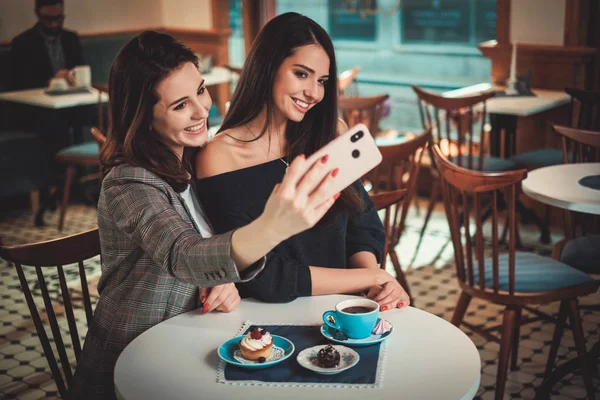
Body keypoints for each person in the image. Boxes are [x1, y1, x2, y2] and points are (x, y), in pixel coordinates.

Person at [70, 31, 338, 399]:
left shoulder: (191, 160)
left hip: (191, 341)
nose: (201, 111)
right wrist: (272, 227)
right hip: (132, 358)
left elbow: (204, 254)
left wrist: (219, 283)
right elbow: (184, 254)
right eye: (180, 105)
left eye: (200, 90)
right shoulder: (128, 183)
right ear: (144, 118)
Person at [195, 13, 410, 310]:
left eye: (321, 81)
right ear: (268, 67)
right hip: (265, 320)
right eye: (301, 74)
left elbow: (361, 224)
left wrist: (374, 283)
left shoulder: (330, 132)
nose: (314, 93)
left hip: (344, 308)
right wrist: (368, 277)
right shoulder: (218, 157)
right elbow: (259, 274)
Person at [8, 0, 84, 90]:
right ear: (38, 14)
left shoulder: (71, 39)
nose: (54, 24)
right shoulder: (23, 43)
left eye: (58, 18)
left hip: (72, 97)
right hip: (39, 98)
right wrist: (51, 81)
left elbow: (82, 70)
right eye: (48, 19)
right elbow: (18, 83)